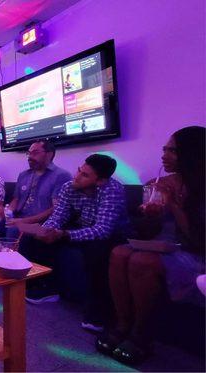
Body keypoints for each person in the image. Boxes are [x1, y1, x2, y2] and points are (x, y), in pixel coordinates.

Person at [96, 126, 205, 365]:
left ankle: (142, 335)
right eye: (164, 149)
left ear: (192, 154)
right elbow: (147, 232)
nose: (164, 155)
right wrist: (150, 214)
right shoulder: (158, 183)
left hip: (194, 253)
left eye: (173, 151)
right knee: (119, 252)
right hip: (164, 246)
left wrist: (174, 205)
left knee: (141, 260)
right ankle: (123, 324)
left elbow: (198, 241)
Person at [19, 153, 129, 332]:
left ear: (100, 181)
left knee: (98, 250)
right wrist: (47, 231)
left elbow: (103, 229)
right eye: (79, 170)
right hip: (80, 227)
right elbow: (59, 216)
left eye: (85, 175)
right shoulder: (69, 187)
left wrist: (64, 235)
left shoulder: (111, 190)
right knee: (33, 238)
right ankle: (43, 287)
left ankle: (98, 310)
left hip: (112, 235)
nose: (77, 176)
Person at [6, 141, 71, 237]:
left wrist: (24, 221)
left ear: (49, 154)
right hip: (18, 217)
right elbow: (16, 199)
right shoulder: (23, 175)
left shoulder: (61, 176)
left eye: (35, 153)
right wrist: (8, 212)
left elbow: (56, 209)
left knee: (13, 232)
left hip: (40, 223)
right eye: (29, 153)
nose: (30, 157)